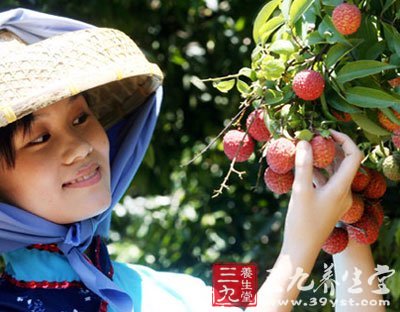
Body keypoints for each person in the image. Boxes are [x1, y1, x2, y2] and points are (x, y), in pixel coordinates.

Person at [0, 8, 386, 312]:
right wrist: (298, 248)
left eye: (81, 117)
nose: (81, 147)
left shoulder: (156, 289)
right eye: (39, 138)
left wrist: (344, 216)